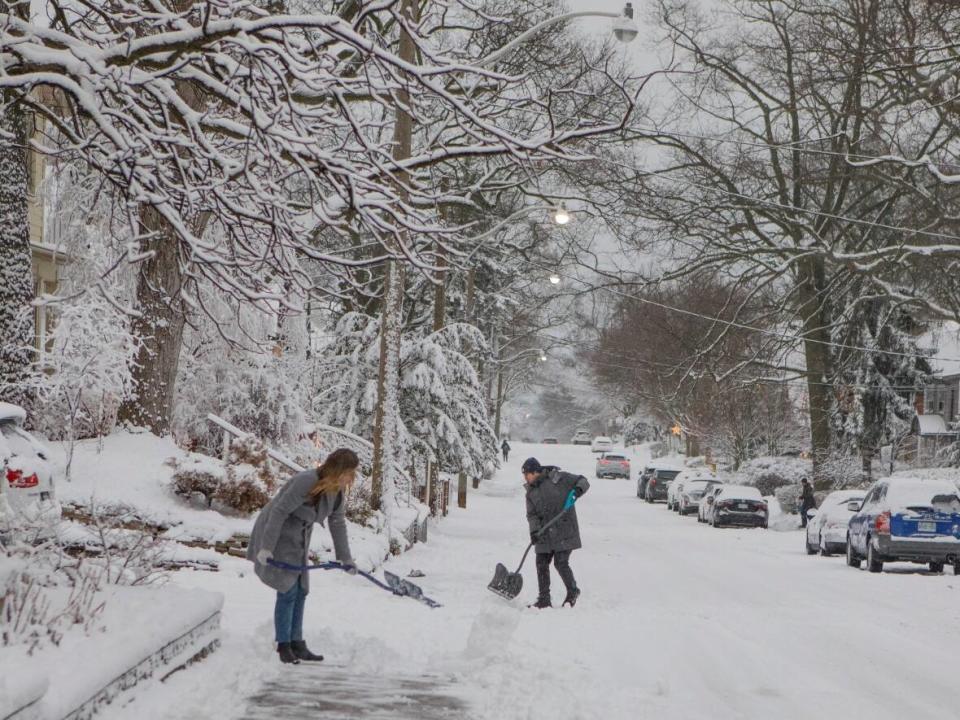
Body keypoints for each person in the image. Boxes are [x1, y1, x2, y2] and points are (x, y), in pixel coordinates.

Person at [247, 448, 359, 665]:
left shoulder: (336, 492)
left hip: (298, 537)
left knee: (301, 590)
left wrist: (346, 558)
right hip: (276, 534)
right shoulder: (306, 481)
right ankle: (283, 645)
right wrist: (266, 547)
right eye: (348, 472)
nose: (351, 478)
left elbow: (337, 523)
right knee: (287, 589)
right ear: (337, 470)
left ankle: (297, 642)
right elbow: (278, 511)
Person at [522, 456, 589, 609]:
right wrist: (534, 531)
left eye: (527, 474)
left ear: (535, 471)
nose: (525, 478)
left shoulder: (558, 478)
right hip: (544, 533)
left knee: (560, 562)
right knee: (541, 562)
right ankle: (544, 599)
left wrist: (578, 490)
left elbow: (583, 481)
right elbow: (532, 515)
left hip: (564, 529)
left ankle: (573, 591)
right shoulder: (530, 493)